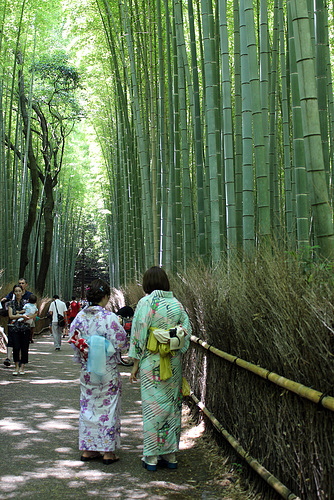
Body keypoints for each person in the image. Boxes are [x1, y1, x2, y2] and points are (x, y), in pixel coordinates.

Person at [129, 266, 191, 471]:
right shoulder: (177, 304)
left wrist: (135, 364)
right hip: (172, 361)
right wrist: (173, 344)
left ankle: (152, 458)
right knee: (172, 407)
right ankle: (170, 455)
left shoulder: (146, 303)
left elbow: (139, 334)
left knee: (152, 408)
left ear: (147, 283)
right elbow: (186, 334)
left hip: (151, 361)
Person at [69, 278, 128, 464]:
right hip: (107, 369)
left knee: (88, 406)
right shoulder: (109, 318)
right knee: (108, 407)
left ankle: (89, 449)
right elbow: (121, 341)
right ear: (105, 297)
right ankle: (108, 452)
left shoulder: (79, 317)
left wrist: (87, 347)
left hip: (88, 369)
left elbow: (73, 339)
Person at [2, 278, 33, 366]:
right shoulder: (12, 294)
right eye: (20, 283)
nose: (21, 284)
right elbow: (6, 300)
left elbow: (34, 308)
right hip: (13, 322)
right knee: (12, 340)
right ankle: (8, 358)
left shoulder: (29, 295)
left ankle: (20, 360)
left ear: (26, 285)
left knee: (22, 342)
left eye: (23, 283)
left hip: (24, 322)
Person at [8, 284, 31, 375]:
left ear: (22, 292)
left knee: (24, 348)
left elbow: (29, 315)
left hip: (25, 328)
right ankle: (16, 366)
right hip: (15, 328)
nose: (18, 293)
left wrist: (17, 316)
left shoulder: (26, 303)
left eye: (19, 291)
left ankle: (22, 367)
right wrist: (21, 316)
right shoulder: (10, 303)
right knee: (16, 347)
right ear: (13, 292)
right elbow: (10, 316)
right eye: (16, 291)